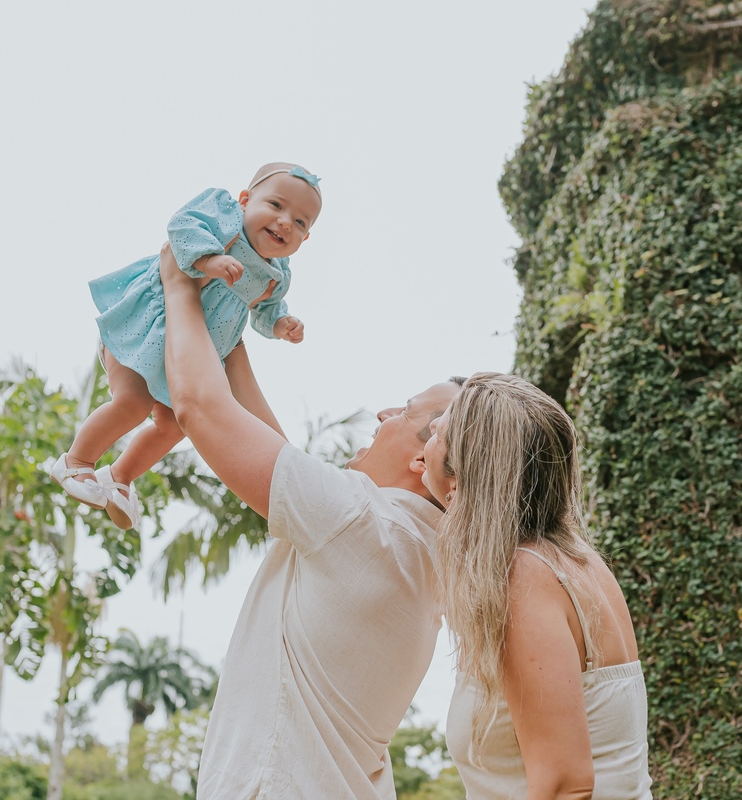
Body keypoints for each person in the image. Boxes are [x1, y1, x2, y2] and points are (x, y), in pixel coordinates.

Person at [156, 242, 463, 799]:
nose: (384, 414)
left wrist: (178, 283)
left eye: (406, 409)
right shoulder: (417, 549)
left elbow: (198, 407)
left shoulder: (359, 522)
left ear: (426, 459)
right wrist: (230, 333)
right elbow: (272, 449)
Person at [49, 162, 321, 530]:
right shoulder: (224, 219)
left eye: (301, 222)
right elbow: (182, 226)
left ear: (305, 238)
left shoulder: (276, 276)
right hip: (147, 329)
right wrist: (210, 259)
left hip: (185, 361)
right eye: (276, 205)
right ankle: (77, 461)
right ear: (244, 200)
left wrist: (280, 324)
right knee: (132, 402)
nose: (286, 222)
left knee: (176, 426)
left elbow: (263, 312)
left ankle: (120, 477)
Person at [421, 372, 652, 799]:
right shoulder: (580, 563)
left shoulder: (522, 578)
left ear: (458, 485)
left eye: (440, 433)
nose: (431, 429)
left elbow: (566, 785)